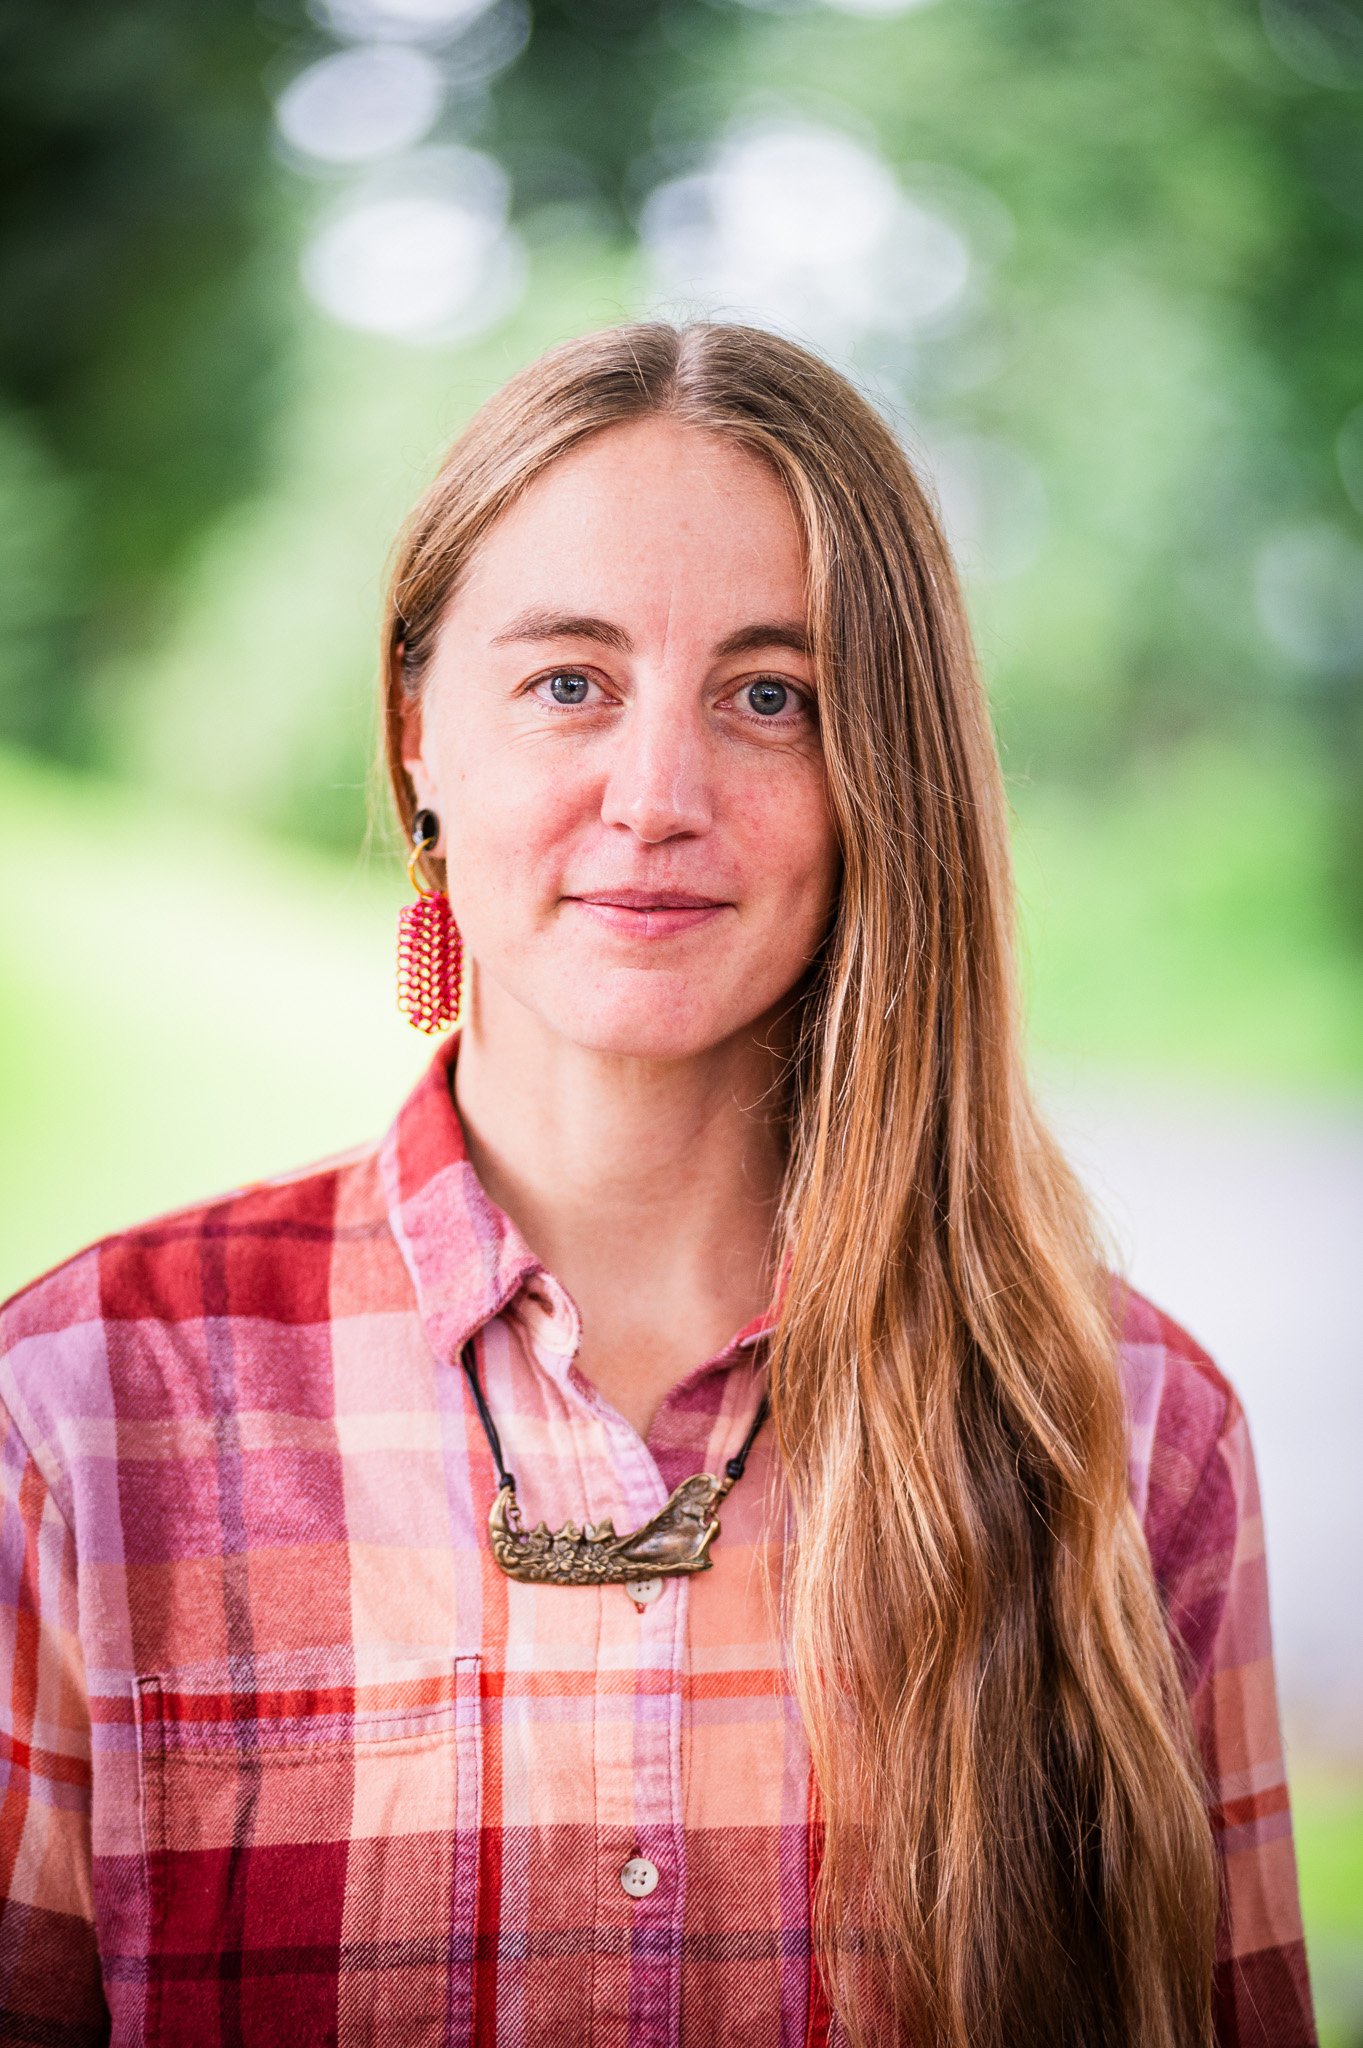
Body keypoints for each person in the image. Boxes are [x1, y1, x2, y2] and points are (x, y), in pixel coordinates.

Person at [0, 321, 1315, 2048]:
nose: (659, 797)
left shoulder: (1135, 1433)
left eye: (772, 697)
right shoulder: (79, 1408)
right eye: (570, 682)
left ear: (881, 779)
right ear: (415, 737)